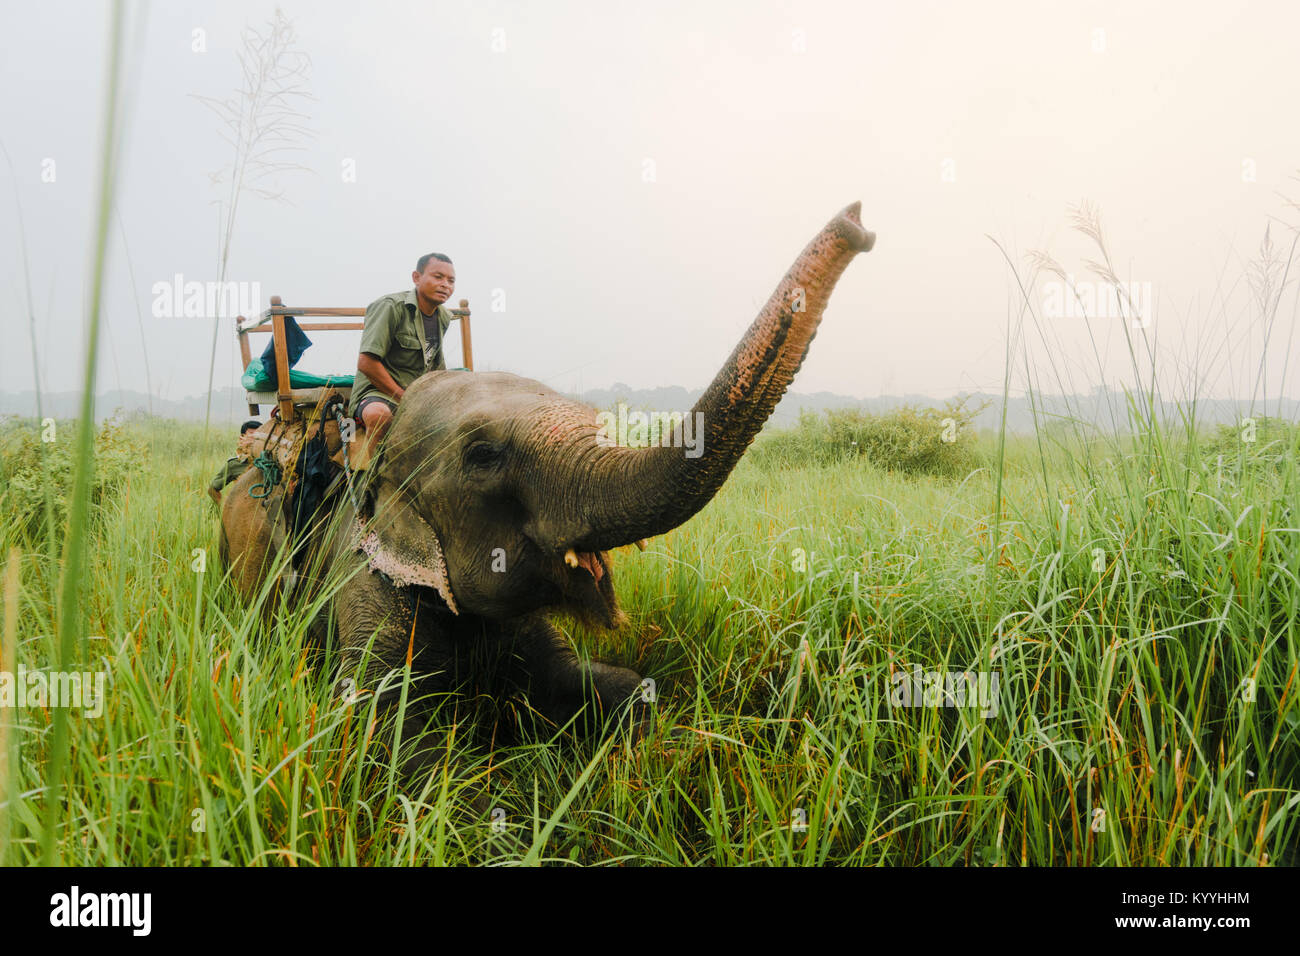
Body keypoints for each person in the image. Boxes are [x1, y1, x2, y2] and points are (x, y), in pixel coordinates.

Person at [349, 253, 456, 456]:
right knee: (379, 416)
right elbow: (366, 363)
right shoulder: (390, 307)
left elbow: (433, 365)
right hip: (379, 393)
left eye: (451, 281)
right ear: (417, 277)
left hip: (418, 394)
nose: (445, 285)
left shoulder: (443, 316)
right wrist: (405, 398)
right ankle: (372, 482)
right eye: (438, 277)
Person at [208, 419, 263, 504]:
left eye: (260, 434)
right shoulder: (234, 464)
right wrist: (225, 509)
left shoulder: (270, 462)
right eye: (252, 434)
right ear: (242, 437)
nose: (256, 438)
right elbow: (213, 489)